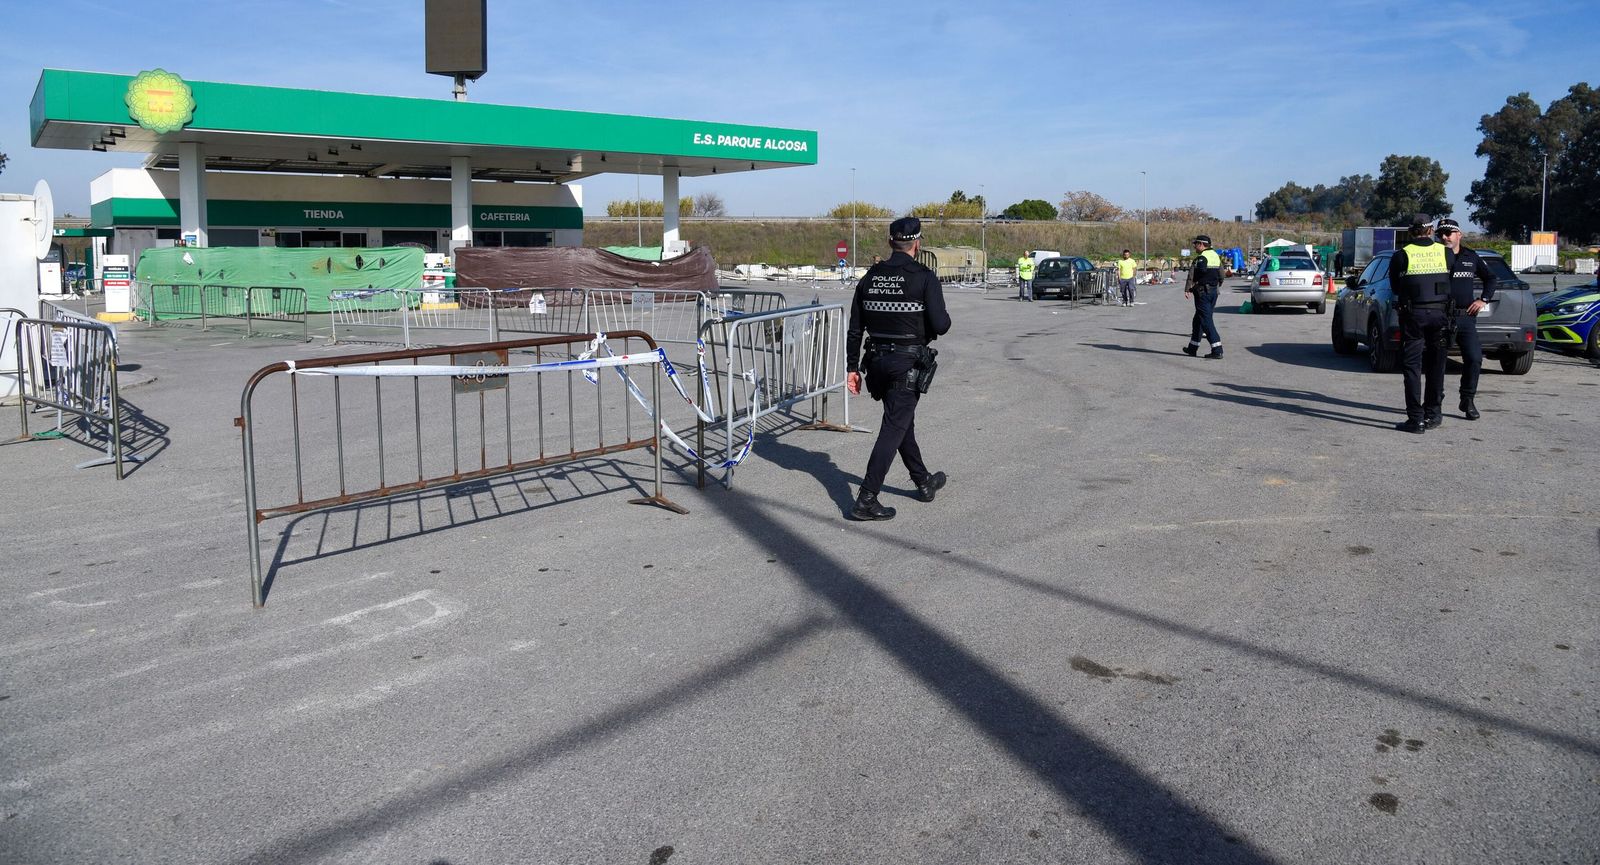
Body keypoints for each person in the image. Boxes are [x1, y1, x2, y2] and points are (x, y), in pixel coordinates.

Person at [845, 217, 952, 521]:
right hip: (906, 365)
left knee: (900, 421)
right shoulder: (924, 277)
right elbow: (941, 325)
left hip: (875, 363)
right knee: (893, 428)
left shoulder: (869, 277)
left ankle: (923, 480)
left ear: (890, 242)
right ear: (917, 244)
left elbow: (855, 329)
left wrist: (852, 368)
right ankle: (866, 498)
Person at [1389, 215, 1452, 433]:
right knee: (1437, 365)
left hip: (1413, 316)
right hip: (1440, 315)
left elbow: (1396, 287)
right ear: (1431, 230)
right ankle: (1433, 414)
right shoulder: (1445, 252)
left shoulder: (1401, 255)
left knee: (1412, 368)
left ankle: (1416, 419)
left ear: (1412, 232)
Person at [1437, 218, 1497, 420]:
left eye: (1449, 233)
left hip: (1465, 317)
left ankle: (1467, 399)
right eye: (1441, 234)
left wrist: (1483, 300)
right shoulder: (1434, 256)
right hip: (1440, 316)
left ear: (1459, 235)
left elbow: (1491, 278)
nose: (1444, 237)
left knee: (1474, 358)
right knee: (1436, 362)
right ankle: (1435, 401)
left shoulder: (1471, 256)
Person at [1181, 235, 1224, 359]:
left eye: (1195, 244)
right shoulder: (1215, 256)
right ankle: (1192, 348)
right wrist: (1216, 285)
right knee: (1198, 320)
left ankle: (1217, 349)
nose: (1194, 246)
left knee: (1206, 320)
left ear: (1201, 244)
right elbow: (1221, 274)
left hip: (1203, 293)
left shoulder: (1201, 258)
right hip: (1213, 292)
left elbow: (1193, 275)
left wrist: (1188, 288)